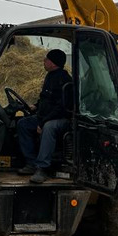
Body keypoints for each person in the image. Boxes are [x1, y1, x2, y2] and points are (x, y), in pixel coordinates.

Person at [16, 49, 72, 184]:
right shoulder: (50, 76)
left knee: (49, 127)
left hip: (61, 119)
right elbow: (46, 98)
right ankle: (31, 163)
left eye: (46, 59)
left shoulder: (64, 80)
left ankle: (42, 168)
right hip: (46, 116)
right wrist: (36, 105)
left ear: (53, 63)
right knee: (23, 123)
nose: (44, 61)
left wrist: (42, 122)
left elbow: (61, 108)